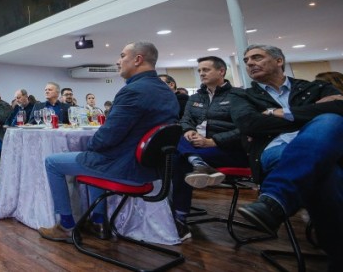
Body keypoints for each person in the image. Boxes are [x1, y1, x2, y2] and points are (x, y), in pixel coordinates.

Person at [38, 42, 179, 242]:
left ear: (138, 59)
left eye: (122, 56)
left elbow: (108, 136)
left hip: (126, 168)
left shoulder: (133, 91)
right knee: (94, 157)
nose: (118, 61)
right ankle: (98, 222)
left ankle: (66, 226)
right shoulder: (166, 91)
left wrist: (90, 146)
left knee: (52, 162)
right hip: (152, 169)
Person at [229, 45, 343, 269]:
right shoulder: (242, 95)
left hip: (322, 150)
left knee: (330, 127)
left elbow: (339, 108)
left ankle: (275, 200)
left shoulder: (315, 87)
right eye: (246, 60)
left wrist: (277, 113)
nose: (250, 63)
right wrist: (311, 115)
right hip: (274, 151)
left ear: (279, 61)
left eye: (257, 57)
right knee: (324, 138)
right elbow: (249, 124)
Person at [170, 56, 248, 240]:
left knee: (178, 159)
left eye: (206, 70)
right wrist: (189, 130)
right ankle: (197, 162)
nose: (201, 73)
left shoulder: (238, 96)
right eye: (199, 70)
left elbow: (246, 128)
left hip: (228, 149)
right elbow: (185, 120)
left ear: (221, 71)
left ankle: (179, 217)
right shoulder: (195, 97)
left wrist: (214, 141)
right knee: (174, 135)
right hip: (198, 147)